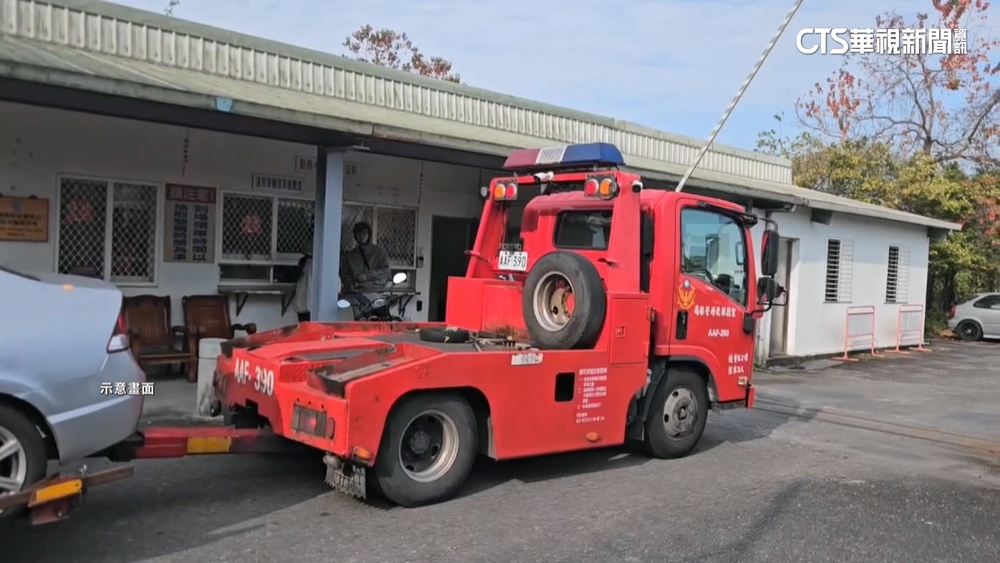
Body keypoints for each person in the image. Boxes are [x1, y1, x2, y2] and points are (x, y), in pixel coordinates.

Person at [341, 221, 391, 293]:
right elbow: (344, 274)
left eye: (364, 233)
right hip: (355, 292)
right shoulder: (350, 255)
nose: (361, 236)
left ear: (369, 235)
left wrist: (367, 276)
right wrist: (349, 285)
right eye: (359, 233)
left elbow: (386, 271)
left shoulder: (379, 252)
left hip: (375, 291)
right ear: (355, 236)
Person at [294, 252, 312, 322]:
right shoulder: (327, 262)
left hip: (303, 304)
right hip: (314, 306)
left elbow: (295, 276)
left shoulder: (305, 262)